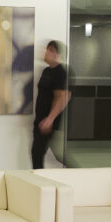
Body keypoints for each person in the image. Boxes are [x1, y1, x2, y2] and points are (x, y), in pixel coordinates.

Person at [32, 40, 71, 169]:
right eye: (46, 49)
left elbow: (63, 97)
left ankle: (82, 175)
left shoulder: (61, 72)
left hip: (48, 123)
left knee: (37, 153)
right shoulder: (46, 71)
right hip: (41, 121)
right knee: (51, 155)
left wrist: (49, 119)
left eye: (50, 50)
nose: (45, 52)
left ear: (56, 54)